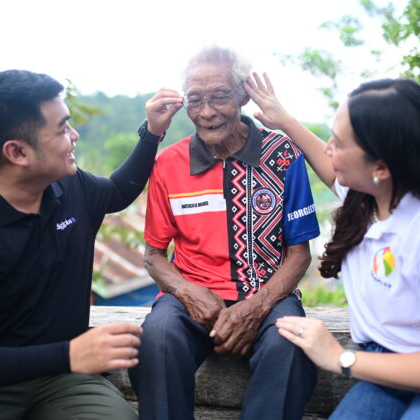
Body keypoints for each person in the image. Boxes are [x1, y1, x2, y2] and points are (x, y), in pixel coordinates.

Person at [0, 69, 182, 419]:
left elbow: (117, 190)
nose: (74, 135)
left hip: (63, 380)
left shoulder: (69, 188)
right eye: (62, 129)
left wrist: (152, 132)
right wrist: (70, 354)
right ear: (17, 152)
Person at [244, 73, 420, 419]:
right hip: (387, 367)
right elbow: (332, 171)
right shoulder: (369, 200)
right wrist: (284, 120)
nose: (328, 148)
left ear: (381, 167)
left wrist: (340, 357)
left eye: (339, 143)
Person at [128, 47, 320, 420]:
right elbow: (153, 255)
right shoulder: (169, 163)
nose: (206, 112)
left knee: (290, 344)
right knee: (157, 339)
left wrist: (255, 307)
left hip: (268, 292)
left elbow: (299, 255)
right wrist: (187, 291)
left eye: (219, 97)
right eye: (195, 100)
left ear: (243, 96)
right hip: (192, 294)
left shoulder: (283, 154)